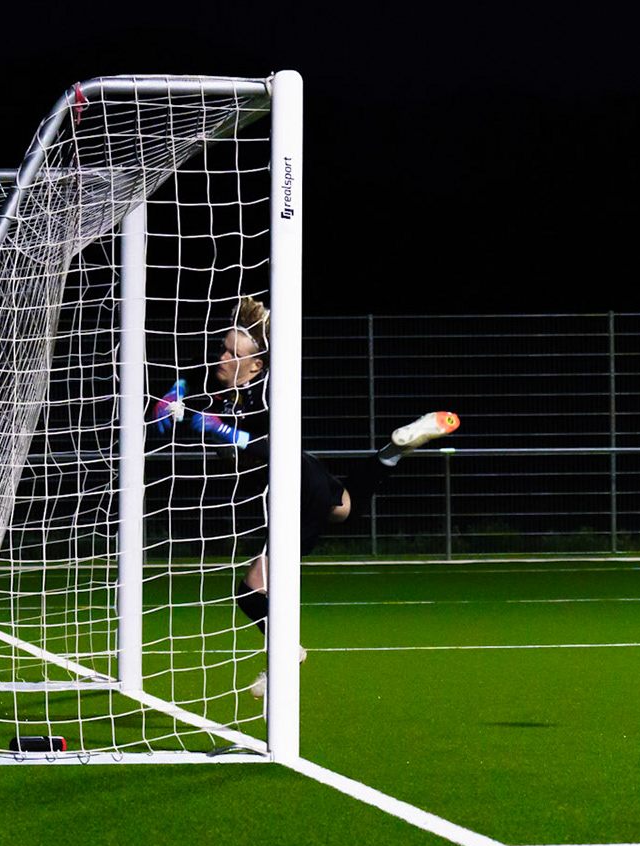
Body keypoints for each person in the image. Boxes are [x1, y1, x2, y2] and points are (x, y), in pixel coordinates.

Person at [152, 296, 459, 695]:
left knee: (251, 591)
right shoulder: (226, 389)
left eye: (233, 353)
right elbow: (187, 391)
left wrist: (206, 425)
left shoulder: (265, 394)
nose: (222, 358)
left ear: (257, 366)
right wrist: (174, 395)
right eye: (223, 348)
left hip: (295, 484)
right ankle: (394, 449)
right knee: (346, 508)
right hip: (307, 477)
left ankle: (285, 653)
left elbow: (259, 444)